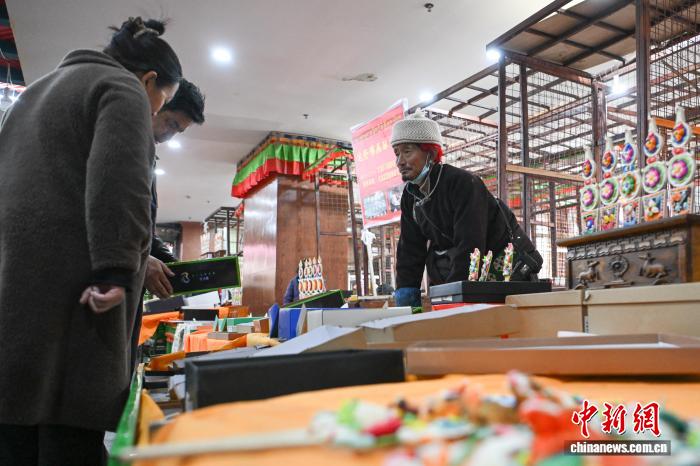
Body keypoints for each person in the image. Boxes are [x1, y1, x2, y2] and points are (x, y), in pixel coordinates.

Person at [0, 17, 181, 466]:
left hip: (14, 298)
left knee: (16, 433)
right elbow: (119, 186)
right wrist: (116, 270)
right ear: (149, 80)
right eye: (161, 102)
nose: (154, 113)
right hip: (78, 298)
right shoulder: (121, 89)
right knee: (71, 436)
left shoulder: (31, 96)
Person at [392, 111, 542, 307]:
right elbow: (410, 251)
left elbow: (470, 245)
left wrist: (454, 303)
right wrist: (406, 300)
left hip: (503, 269)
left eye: (407, 152)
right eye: (397, 153)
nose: (400, 161)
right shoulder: (410, 196)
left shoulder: (462, 183)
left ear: (431, 153)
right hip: (468, 272)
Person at [144, 79, 207, 299]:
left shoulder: (147, 155)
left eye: (177, 131)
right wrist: (139, 261)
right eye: (170, 123)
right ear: (156, 103)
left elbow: (142, 232)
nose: (168, 135)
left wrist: (180, 270)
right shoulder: (116, 143)